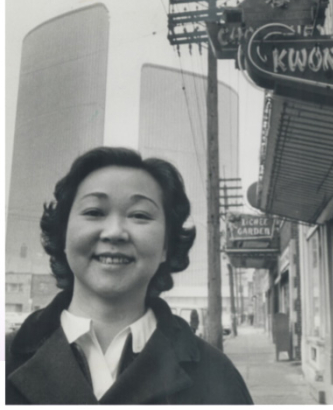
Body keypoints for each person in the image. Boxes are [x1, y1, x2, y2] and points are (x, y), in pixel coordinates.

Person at [5, 147, 253, 404]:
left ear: (166, 246)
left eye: (139, 215)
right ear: (63, 235)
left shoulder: (217, 376)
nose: (114, 232)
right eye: (94, 212)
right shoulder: (7, 359)